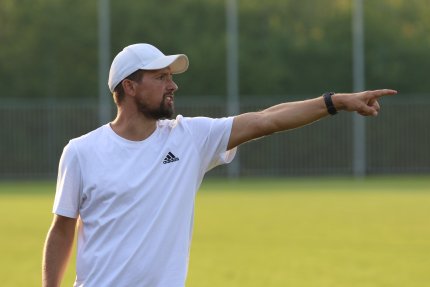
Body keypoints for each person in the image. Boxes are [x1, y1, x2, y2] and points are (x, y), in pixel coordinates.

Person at [42, 43, 397, 287]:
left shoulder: (189, 138)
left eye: (171, 76)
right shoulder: (81, 152)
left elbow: (266, 119)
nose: (173, 85)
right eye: (161, 77)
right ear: (130, 86)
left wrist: (335, 101)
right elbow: (62, 230)